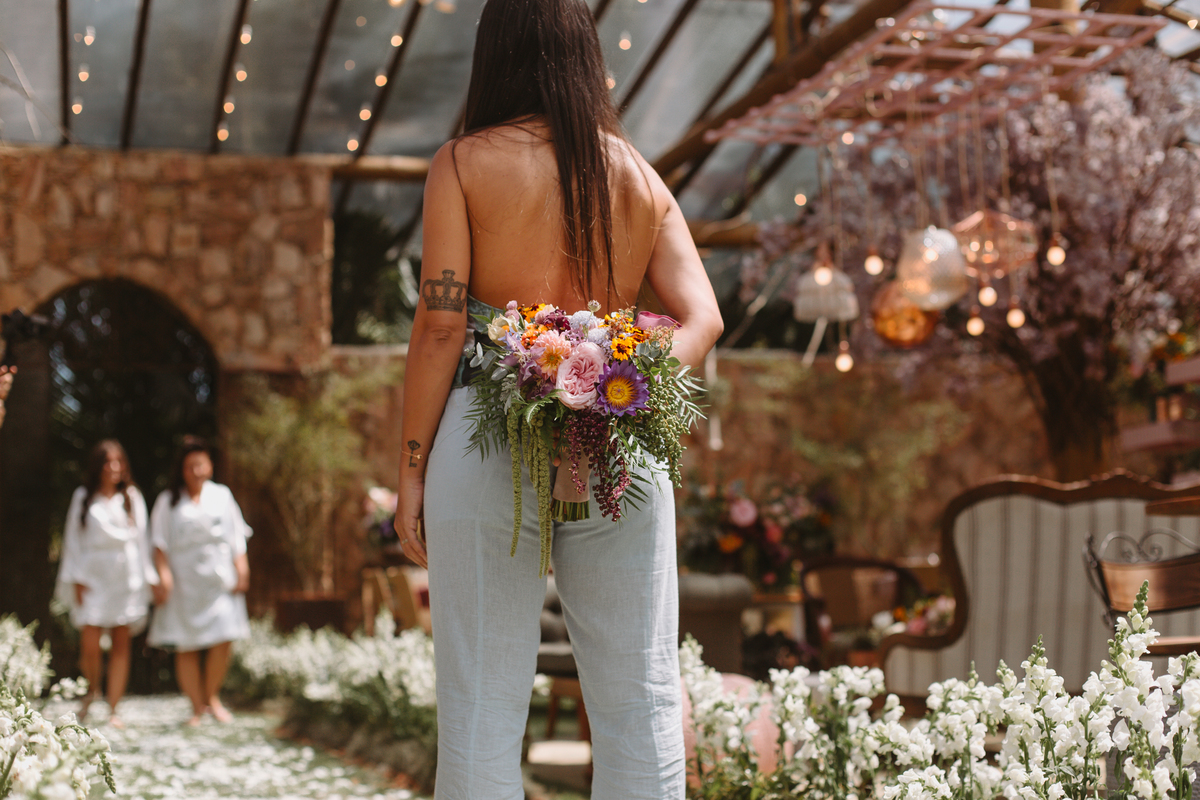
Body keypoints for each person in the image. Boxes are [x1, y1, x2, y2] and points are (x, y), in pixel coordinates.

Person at [395, 1, 724, 796]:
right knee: (638, 696)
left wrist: (410, 471)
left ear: (497, 52)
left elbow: (443, 326)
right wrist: (622, 390)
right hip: (620, 444)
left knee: (481, 704)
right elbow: (704, 316)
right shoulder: (637, 174)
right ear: (585, 56)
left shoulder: (465, 163)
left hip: (488, 422)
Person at [147, 436, 251, 726]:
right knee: (187, 644)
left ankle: (212, 697)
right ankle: (196, 707)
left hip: (220, 580)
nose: (196, 471)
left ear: (210, 466)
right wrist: (163, 575)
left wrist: (242, 568)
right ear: (182, 469)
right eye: (190, 466)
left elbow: (236, 536)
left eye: (200, 464)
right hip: (183, 582)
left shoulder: (222, 495)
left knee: (224, 637)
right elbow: (158, 542)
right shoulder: (168, 501)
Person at [56, 439, 155, 727]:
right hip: (92, 575)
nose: (114, 467)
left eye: (118, 461)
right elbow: (72, 540)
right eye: (107, 462)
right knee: (90, 643)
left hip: (124, 577)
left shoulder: (132, 497)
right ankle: (91, 692)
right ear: (97, 466)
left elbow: (142, 540)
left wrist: (145, 580)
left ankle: (114, 708)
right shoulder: (83, 497)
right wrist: (75, 578)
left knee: (122, 642)